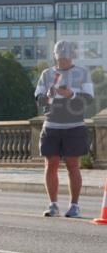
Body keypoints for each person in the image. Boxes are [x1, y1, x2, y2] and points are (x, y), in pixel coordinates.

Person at [35, 40, 94, 218]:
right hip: (51, 124)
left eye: (66, 59)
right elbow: (38, 98)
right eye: (60, 59)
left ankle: (74, 206)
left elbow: (89, 98)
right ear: (54, 56)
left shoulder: (83, 73)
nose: (62, 62)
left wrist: (72, 94)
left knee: (72, 165)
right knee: (50, 164)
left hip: (73, 125)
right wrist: (47, 96)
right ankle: (53, 205)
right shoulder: (47, 74)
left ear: (72, 56)